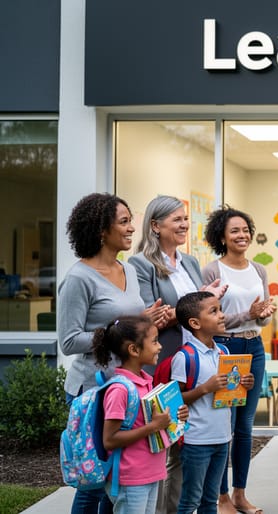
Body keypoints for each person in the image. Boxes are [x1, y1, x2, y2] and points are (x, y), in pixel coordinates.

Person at [59, 193, 168, 514]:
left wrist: (145, 323)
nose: (132, 227)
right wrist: (119, 331)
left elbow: (125, 324)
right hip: (94, 390)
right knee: (95, 483)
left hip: (128, 390)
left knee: (119, 481)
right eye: (123, 222)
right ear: (101, 230)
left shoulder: (129, 270)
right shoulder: (78, 278)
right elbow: (68, 341)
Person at [129, 194, 226, 514]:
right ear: (155, 226)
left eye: (186, 218)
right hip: (167, 363)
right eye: (177, 220)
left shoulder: (190, 262)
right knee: (169, 446)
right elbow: (149, 318)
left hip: (196, 360)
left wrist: (209, 301)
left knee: (190, 446)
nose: (185, 225)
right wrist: (199, 302)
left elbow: (197, 310)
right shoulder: (140, 264)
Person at [202, 205, 276, 514]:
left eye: (245, 229)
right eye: (235, 230)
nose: (242, 235)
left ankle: (240, 494)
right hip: (224, 349)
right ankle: (221, 499)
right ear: (222, 236)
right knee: (225, 424)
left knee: (245, 426)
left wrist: (262, 316)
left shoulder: (258, 270)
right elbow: (208, 320)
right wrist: (249, 314)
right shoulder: (212, 271)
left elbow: (261, 318)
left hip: (254, 348)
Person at [93, 315, 189, 513]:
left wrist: (176, 418)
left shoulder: (147, 381)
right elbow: (109, 439)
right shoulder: (120, 389)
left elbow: (150, 423)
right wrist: (154, 426)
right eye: (154, 341)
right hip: (131, 479)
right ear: (134, 349)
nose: (160, 347)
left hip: (152, 472)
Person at [171, 291, 253, 514]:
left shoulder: (224, 352)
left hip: (223, 437)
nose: (222, 316)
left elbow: (230, 393)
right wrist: (204, 389)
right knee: (190, 501)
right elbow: (175, 399)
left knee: (210, 501)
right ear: (195, 323)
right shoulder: (184, 357)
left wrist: (244, 383)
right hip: (196, 440)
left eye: (221, 309)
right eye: (214, 311)